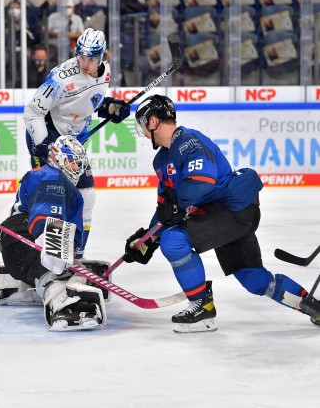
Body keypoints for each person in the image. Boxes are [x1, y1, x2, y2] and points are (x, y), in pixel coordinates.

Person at [124, 94, 320, 333]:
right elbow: (166, 205)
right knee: (255, 280)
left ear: (153, 121)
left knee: (174, 240)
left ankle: (202, 307)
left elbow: (200, 183)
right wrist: (148, 238)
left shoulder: (188, 142)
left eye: (143, 124)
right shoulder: (162, 159)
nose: (143, 132)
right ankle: (315, 308)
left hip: (234, 210)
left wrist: (170, 216)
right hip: (223, 215)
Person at [24, 28, 130, 258]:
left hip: (71, 143)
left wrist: (108, 107)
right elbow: (32, 112)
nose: (84, 62)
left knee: (86, 194)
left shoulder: (105, 73)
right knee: (53, 192)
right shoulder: (61, 78)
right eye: (81, 56)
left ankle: (77, 250)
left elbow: (87, 101)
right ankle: (47, 253)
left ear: (102, 57)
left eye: (91, 59)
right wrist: (42, 145)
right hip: (48, 135)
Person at [0, 136, 107, 331]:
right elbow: (46, 218)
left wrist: (72, 253)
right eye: (72, 163)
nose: (77, 169)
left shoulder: (54, 180)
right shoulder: (52, 178)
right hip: (25, 237)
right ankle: (65, 307)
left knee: (53, 267)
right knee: (54, 273)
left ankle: (7, 280)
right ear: (57, 157)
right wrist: (55, 252)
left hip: (17, 242)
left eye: (79, 165)